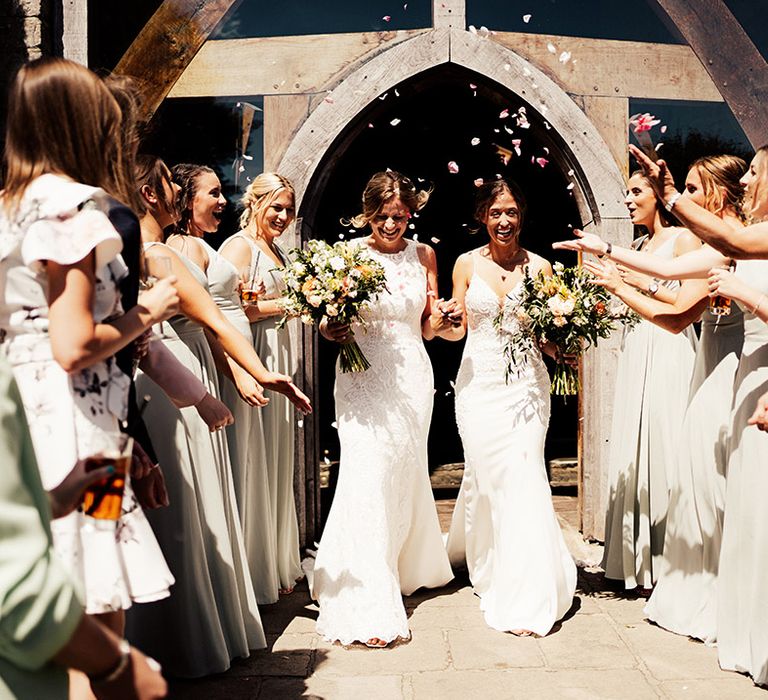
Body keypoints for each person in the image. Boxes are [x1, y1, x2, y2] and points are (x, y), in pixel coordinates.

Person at [0, 56, 181, 641]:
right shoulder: (72, 209)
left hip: (24, 415)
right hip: (83, 435)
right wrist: (147, 312)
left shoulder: (8, 206)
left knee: (44, 592)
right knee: (97, 603)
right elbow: (75, 345)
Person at [126, 157, 310, 677]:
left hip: (173, 379)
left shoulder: (161, 255)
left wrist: (255, 371)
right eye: (172, 185)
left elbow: (214, 320)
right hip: (148, 386)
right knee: (165, 506)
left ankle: (180, 633)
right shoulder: (133, 254)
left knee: (184, 506)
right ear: (152, 195)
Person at [555, 156, 747, 641]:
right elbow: (663, 271)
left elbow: (678, 313)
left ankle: (728, 590)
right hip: (712, 365)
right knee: (702, 483)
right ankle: (711, 585)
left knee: (717, 485)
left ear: (717, 198)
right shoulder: (713, 249)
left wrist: (619, 276)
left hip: (733, 372)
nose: (677, 198)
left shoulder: (738, 247)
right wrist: (607, 251)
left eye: (689, 189)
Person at [311, 171, 453, 647]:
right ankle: (368, 588)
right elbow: (332, 320)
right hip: (360, 378)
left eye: (400, 215)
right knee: (366, 471)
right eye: (382, 216)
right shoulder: (348, 256)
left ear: (410, 212)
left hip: (412, 374)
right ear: (367, 213)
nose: (392, 225)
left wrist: (444, 317)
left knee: (402, 470)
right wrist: (331, 328)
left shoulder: (426, 255)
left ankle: (401, 562)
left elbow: (429, 327)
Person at [439, 178, 576, 636]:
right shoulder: (463, 263)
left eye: (512, 212)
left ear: (522, 217)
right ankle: (488, 561)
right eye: (496, 212)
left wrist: (566, 344)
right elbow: (456, 330)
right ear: (483, 216)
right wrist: (445, 322)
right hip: (478, 385)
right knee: (488, 477)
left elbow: (551, 336)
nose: (504, 221)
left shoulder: (541, 268)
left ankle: (527, 588)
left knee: (522, 474)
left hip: (526, 388)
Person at [0, 355, 167, 700]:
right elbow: (15, 588)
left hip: (88, 445)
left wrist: (51, 503)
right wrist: (116, 667)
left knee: (102, 586)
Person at [564, 170, 698, 592]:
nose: (627, 199)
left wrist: (632, 282)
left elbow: (681, 301)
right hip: (638, 345)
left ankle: (669, 559)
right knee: (636, 447)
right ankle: (638, 559)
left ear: (659, 195)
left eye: (636, 191)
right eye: (626, 191)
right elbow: (632, 297)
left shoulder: (684, 241)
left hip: (670, 349)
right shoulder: (639, 245)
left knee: (665, 443)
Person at [172, 163, 281, 604]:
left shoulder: (200, 243)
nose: (223, 201)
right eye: (213, 193)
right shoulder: (178, 248)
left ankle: (239, 576)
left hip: (223, 352)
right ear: (185, 199)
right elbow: (207, 319)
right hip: (207, 358)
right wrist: (239, 370)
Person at [218, 173, 303, 596]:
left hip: (278, 349)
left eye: (289, 209)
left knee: (276, 456)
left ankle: (273, 562)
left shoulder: (276, 251)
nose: (284, 216)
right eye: (276, 207)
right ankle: (252, 569)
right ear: (254, 203)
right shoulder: (239, 247)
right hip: (256, 355)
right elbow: (229, 313)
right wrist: (291, 301)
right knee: (256, 458)